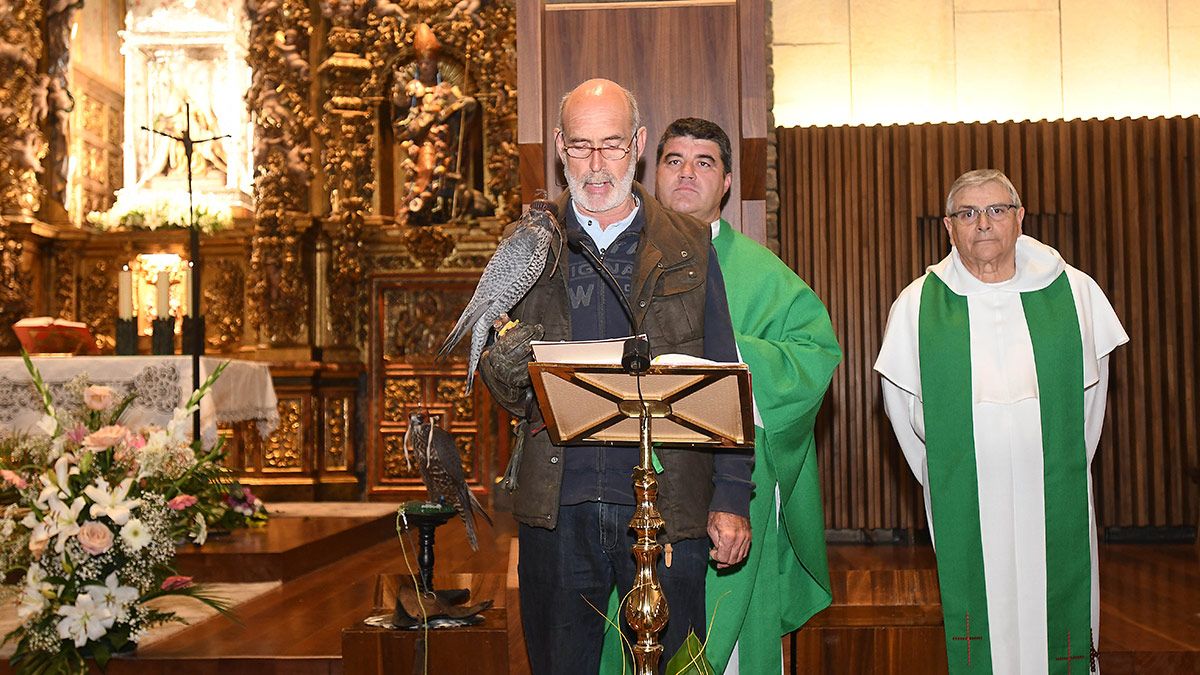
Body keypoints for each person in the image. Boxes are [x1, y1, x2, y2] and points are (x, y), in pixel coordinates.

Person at [478, 80, 752, 674]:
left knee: (674, 664)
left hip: (666, 503)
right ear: (558, 147)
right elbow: (507, 395)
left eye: (612, 145)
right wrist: (504, 367)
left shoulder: (688, 245)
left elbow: (725, 376)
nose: (597, 165)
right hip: (558, 504)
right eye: (581, 147)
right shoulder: (531, 244)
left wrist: (731, 496)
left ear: (639, 144)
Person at [609, 117, 840, 674]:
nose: (687, 174)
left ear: (729, 182)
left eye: (704, 163)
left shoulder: (764, 274)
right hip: (633, 480)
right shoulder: (614, 260)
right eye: (674, 161)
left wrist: (729, 350)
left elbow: (814, 355)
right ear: (651, 173)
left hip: (731, 483)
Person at [874, 169, 1128, 674]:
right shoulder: (919, 304)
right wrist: (944, 474)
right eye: (968, 213)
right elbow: (901, 408)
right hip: (966, 492)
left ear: (1020, 217)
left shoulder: (1072, 291)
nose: (983, 224)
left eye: (996, 210)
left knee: (1054, 608)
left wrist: (1060, 465)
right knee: (981, 622)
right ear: (949, 228)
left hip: (1052, 488)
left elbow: (1091, 399)